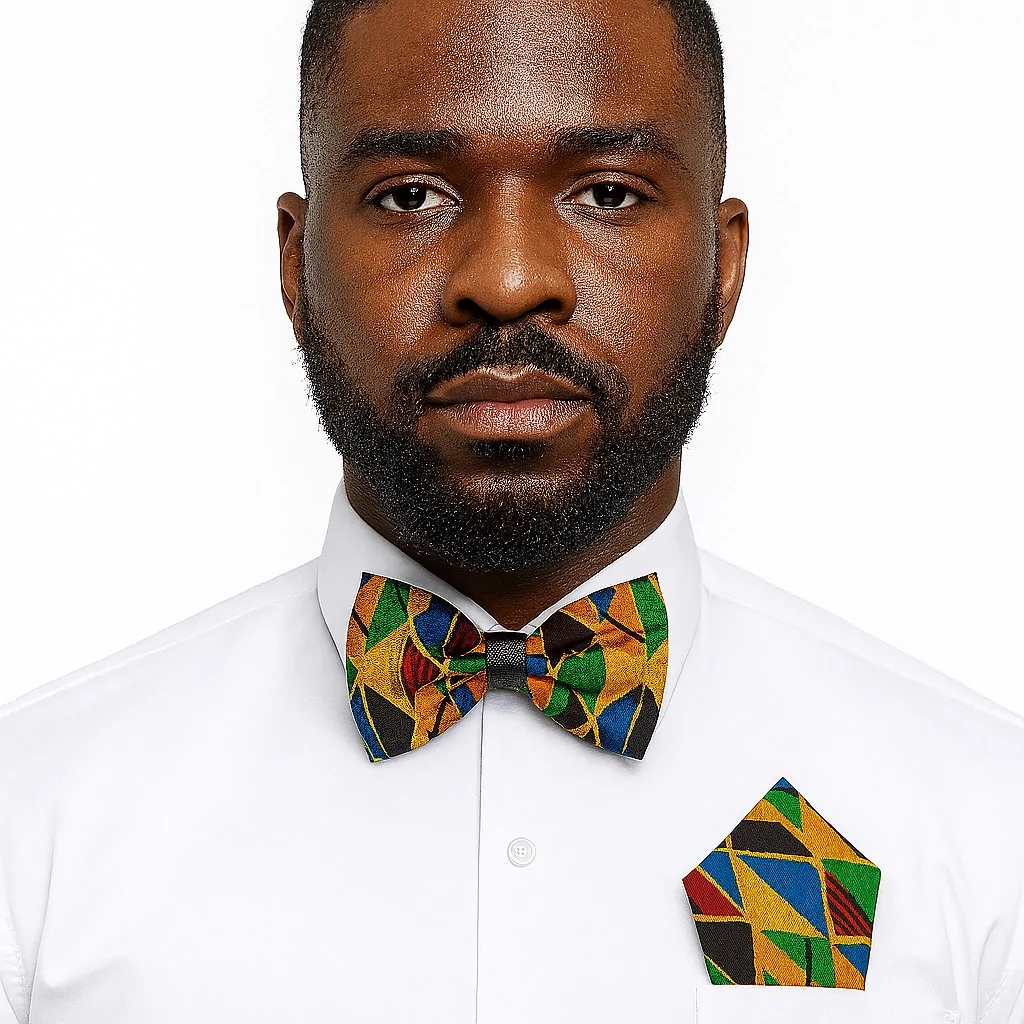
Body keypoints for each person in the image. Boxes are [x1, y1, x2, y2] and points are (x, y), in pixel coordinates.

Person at [1, 0, 1022, 1019]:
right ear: (294, 265)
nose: (507, 280)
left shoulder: (981, 825)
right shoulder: (35, 820)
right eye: (409, 195)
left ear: (725, 269)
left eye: (608, 193)